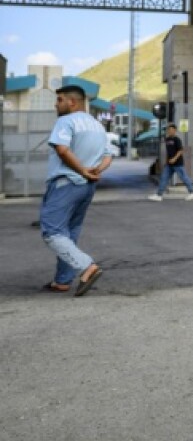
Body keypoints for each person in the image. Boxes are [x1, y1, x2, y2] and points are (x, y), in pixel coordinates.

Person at [40, 85, 110, 296]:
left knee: (52, 230)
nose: (56, 103)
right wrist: (94, 171)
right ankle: (62, 280)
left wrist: (81, 170)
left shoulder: (65, 121)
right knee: (69, 233)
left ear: (72, 102)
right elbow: (108, 156)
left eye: (59, 99)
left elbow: (61, 149)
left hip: (66, 183)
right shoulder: (97, 125)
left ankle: (87, 267)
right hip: (87, 187)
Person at [148, 123, 193, 202]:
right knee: (164, 178)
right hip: (169, 164)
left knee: (184, 177)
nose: (170, 131)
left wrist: (174, 159)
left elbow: (180, 150)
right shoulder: (167, 139)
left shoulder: (177, 139)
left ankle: (192, 192)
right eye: (169, 130)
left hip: (178, 163)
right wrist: (166, 161)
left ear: (175, 131)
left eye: (172, 130)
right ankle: (159, 195)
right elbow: (169, 152)